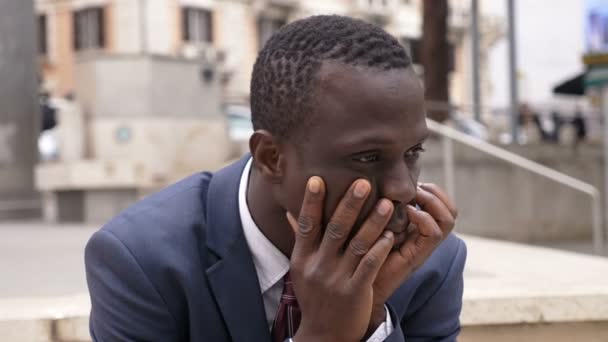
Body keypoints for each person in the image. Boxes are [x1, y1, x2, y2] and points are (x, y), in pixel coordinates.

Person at [85, 15, 466, 342]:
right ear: (271, 158)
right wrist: (322, 334)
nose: (403, 188)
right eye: (366, 157)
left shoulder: (428, 262)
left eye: (413, 153)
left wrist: (369, 324)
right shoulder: (143, 260)